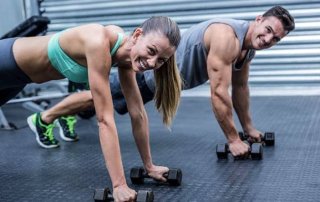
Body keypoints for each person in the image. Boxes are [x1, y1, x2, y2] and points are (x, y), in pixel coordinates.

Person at [28, 6, 295, 157]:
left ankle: (64, 116)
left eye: (276, 39)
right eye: (269, 30)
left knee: (102, 101)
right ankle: (45, 118)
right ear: (259, 19)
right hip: (147, 73)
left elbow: (239, 88)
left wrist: (249, 129)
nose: (269, 39)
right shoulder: (227, 38)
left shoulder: (247, 49)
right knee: (97, 98)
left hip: (160, 82)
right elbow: (219, 92)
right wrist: (234, 140)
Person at [0, 16, 182, 201]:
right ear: (136, 35)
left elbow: (138, 114)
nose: (152, 63)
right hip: (5, 61)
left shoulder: (127, 58)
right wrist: (119, 185)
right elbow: (104, 120)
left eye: (161, 60)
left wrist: (149, 166)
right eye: (151, 51)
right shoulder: (98, 41)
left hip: (17, 80)